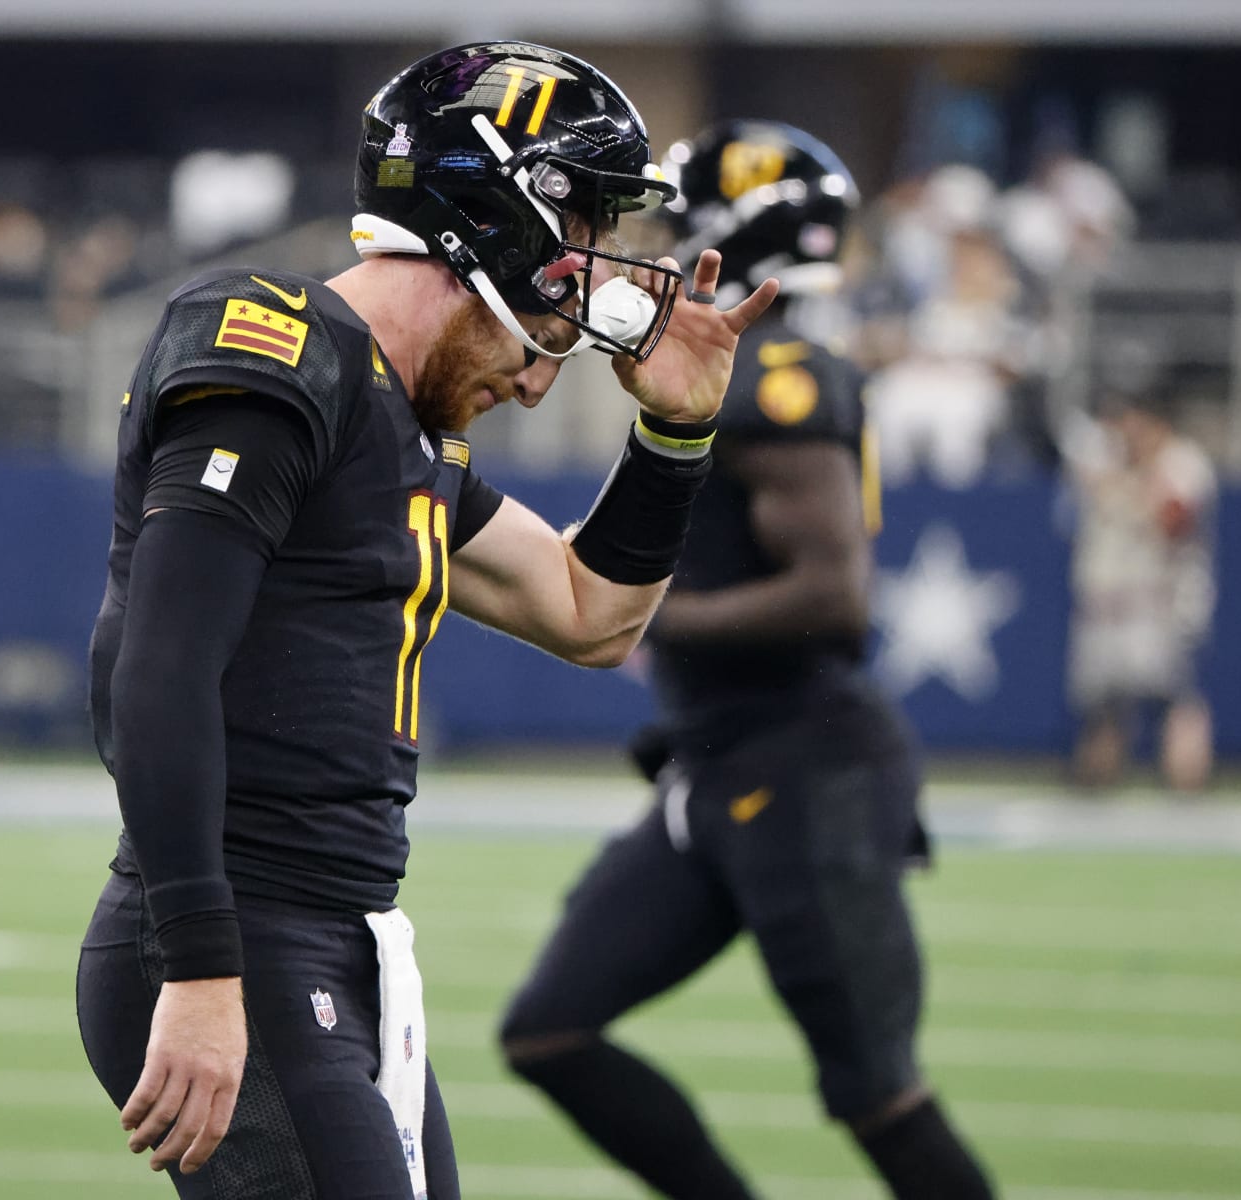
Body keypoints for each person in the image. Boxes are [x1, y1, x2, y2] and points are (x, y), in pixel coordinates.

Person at [74, 42, 778, 1200]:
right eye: (579, 237)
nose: (542, 375)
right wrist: (199, 968)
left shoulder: (404, 426)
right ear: (492, 225)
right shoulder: (277, 351)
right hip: (234, 933)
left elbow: (591, 614)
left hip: (339, 939)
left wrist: (675, 438)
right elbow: (153, 668)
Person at [499, 121, 996, 1200]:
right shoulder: (754, 365)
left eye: (677, 221)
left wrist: (648, 617)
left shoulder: (776, 372)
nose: (659, 243)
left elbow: (834, 597)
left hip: (807, 766)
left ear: (738, 231)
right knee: (547, 1029)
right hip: (717, 763)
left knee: (877, 1095)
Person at [1066, 374, 1217, 792]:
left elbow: (1174, 522)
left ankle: (1187, 784)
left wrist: (1132, 482)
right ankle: (1099, 784)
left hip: (1163, 601)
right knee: (1103, 703)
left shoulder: (1184, 463)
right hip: (1106, 601)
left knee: (1176, 696)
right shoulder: (1103, 456)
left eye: (1133, 419)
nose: (1126, 430)